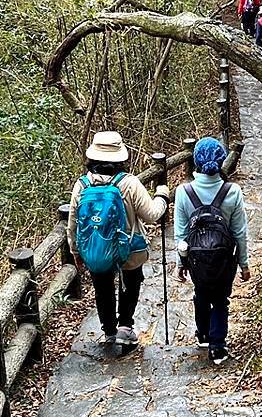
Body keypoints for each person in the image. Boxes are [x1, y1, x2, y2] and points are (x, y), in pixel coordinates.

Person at [67, 131, 169, 345]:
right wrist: (162, 196)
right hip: (129, 248)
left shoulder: (82, 184)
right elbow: (151, 215)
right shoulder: (128, 183)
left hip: (97, 248)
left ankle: (109, 331)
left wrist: (75, 251)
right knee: (131, 283)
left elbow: (73, 222)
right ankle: (125, 327)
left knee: (102, 287)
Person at [174, 137, 250, 365]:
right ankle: (218, 345)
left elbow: (180, 235)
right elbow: (240, 233)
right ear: (221, 160)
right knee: (220, 299)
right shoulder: (233, 191)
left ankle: (204, 334)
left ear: (196, 161)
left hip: (196, 258)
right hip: (225, 257)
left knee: (201, 293)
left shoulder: (183, 192)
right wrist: (244, 264)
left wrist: (180, 263)